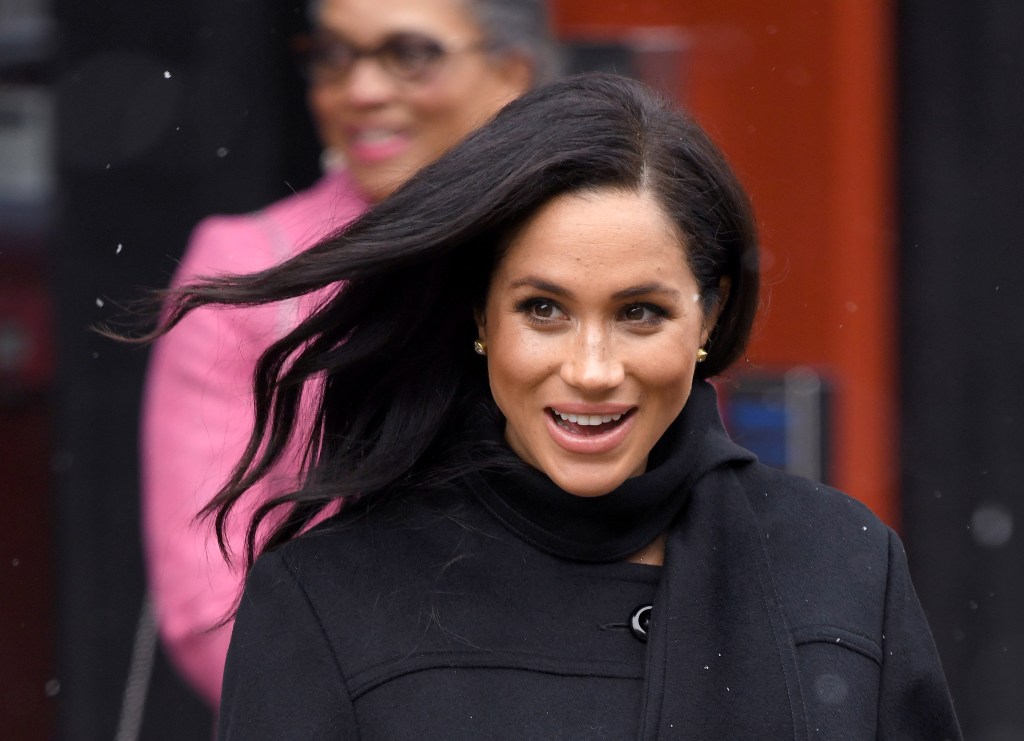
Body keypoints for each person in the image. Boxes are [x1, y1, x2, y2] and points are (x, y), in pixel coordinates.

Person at [153, 73, 961, 739]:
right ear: (481, 315)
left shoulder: (843, 564)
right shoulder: (328, 597)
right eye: (544, 309)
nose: (592, 369)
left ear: (709, 317)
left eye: (640, 312)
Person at [141, 0, 558, 705]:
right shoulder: (250, 271)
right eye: (335, 56)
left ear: (511, 70)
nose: (360, 90)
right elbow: (208, 603)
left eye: (410, 54)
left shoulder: (595, 249)